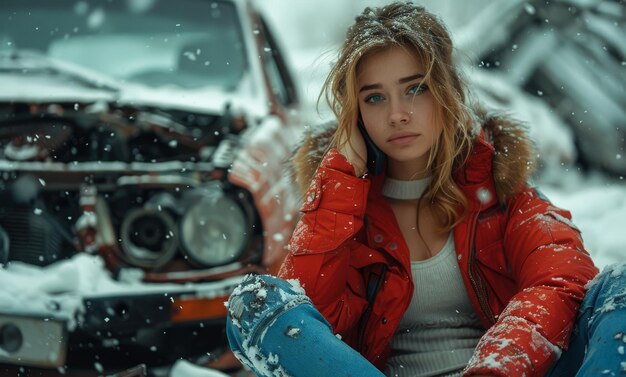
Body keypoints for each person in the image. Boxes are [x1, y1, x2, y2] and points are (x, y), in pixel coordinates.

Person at [225, 2, 626, 376]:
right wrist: (340, 177)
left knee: (619, 288)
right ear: (355, 113)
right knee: (256, 302)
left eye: (415, 88)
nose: (397, 115)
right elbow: (312, 320)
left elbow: (561, 282)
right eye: (375, 97)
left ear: (446, 92)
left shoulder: (503, 193)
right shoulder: (342, 208)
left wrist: (493, 368)